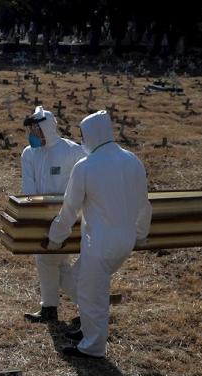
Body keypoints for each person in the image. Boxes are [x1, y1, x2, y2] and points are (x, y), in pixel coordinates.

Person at [47, 111, 152, 358]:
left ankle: (93, 347)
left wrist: (56, 236)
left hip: (99, 242)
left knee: (93, 295)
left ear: (91, 134)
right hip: (124, 240)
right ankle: (87, 329)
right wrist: (141, 233)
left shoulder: (86, 166)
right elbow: (143, 203)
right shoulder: (132, 160)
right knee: (78, 278)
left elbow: (69, 208)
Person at [21, 106, 87, 323]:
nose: (32, 134)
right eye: (30, 130)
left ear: (46, 128)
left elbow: (86, 179)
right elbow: (28, 190)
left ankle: (90, 305)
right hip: (41, 218)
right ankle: (62, 307)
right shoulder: (29, 153)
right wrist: (32, 216)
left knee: (50, 261)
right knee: (50, 261)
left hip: (69, 216)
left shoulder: (72, 151)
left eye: (35, 129)